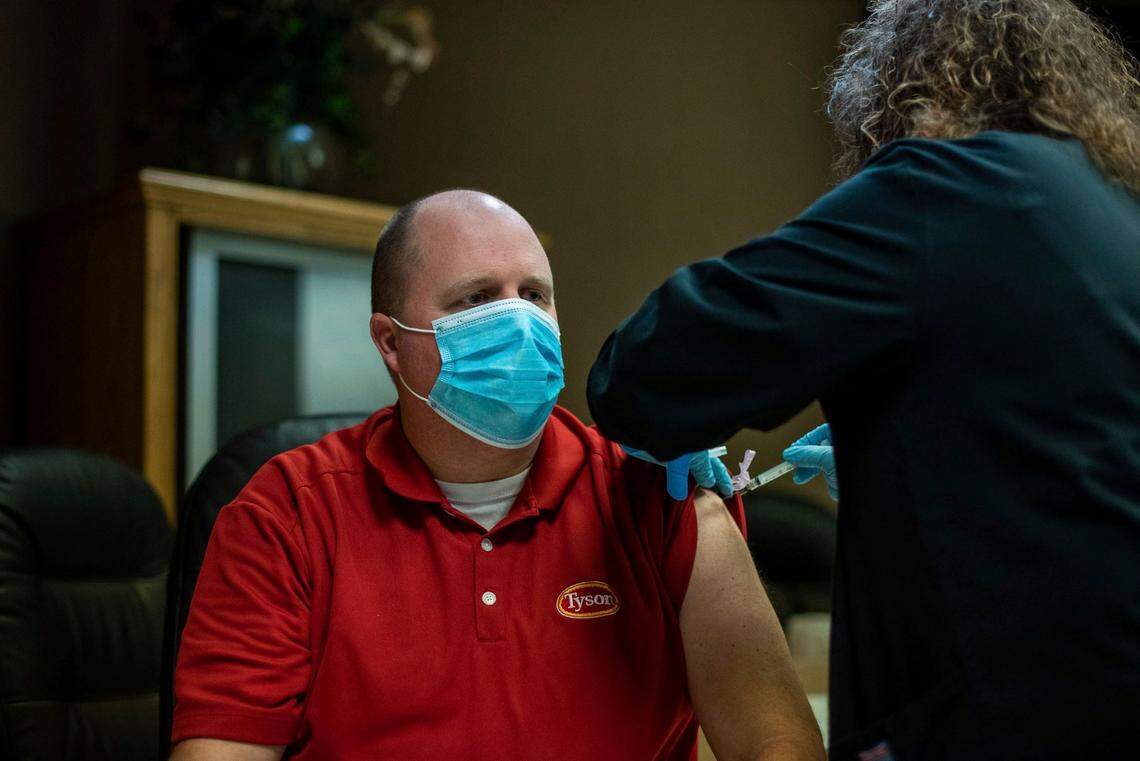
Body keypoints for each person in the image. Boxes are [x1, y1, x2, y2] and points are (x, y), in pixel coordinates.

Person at [586, 1, 1140, 758]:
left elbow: (654, 368)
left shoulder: (943, 189)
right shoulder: (1113, 211)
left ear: (898, 89)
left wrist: (657, 410)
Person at [169, 190, 824, 760]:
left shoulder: (659, 494)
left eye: (535, 296)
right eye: (478, 298)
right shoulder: (285, 513)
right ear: (391, 343)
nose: (520, 322)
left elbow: (779, 740)